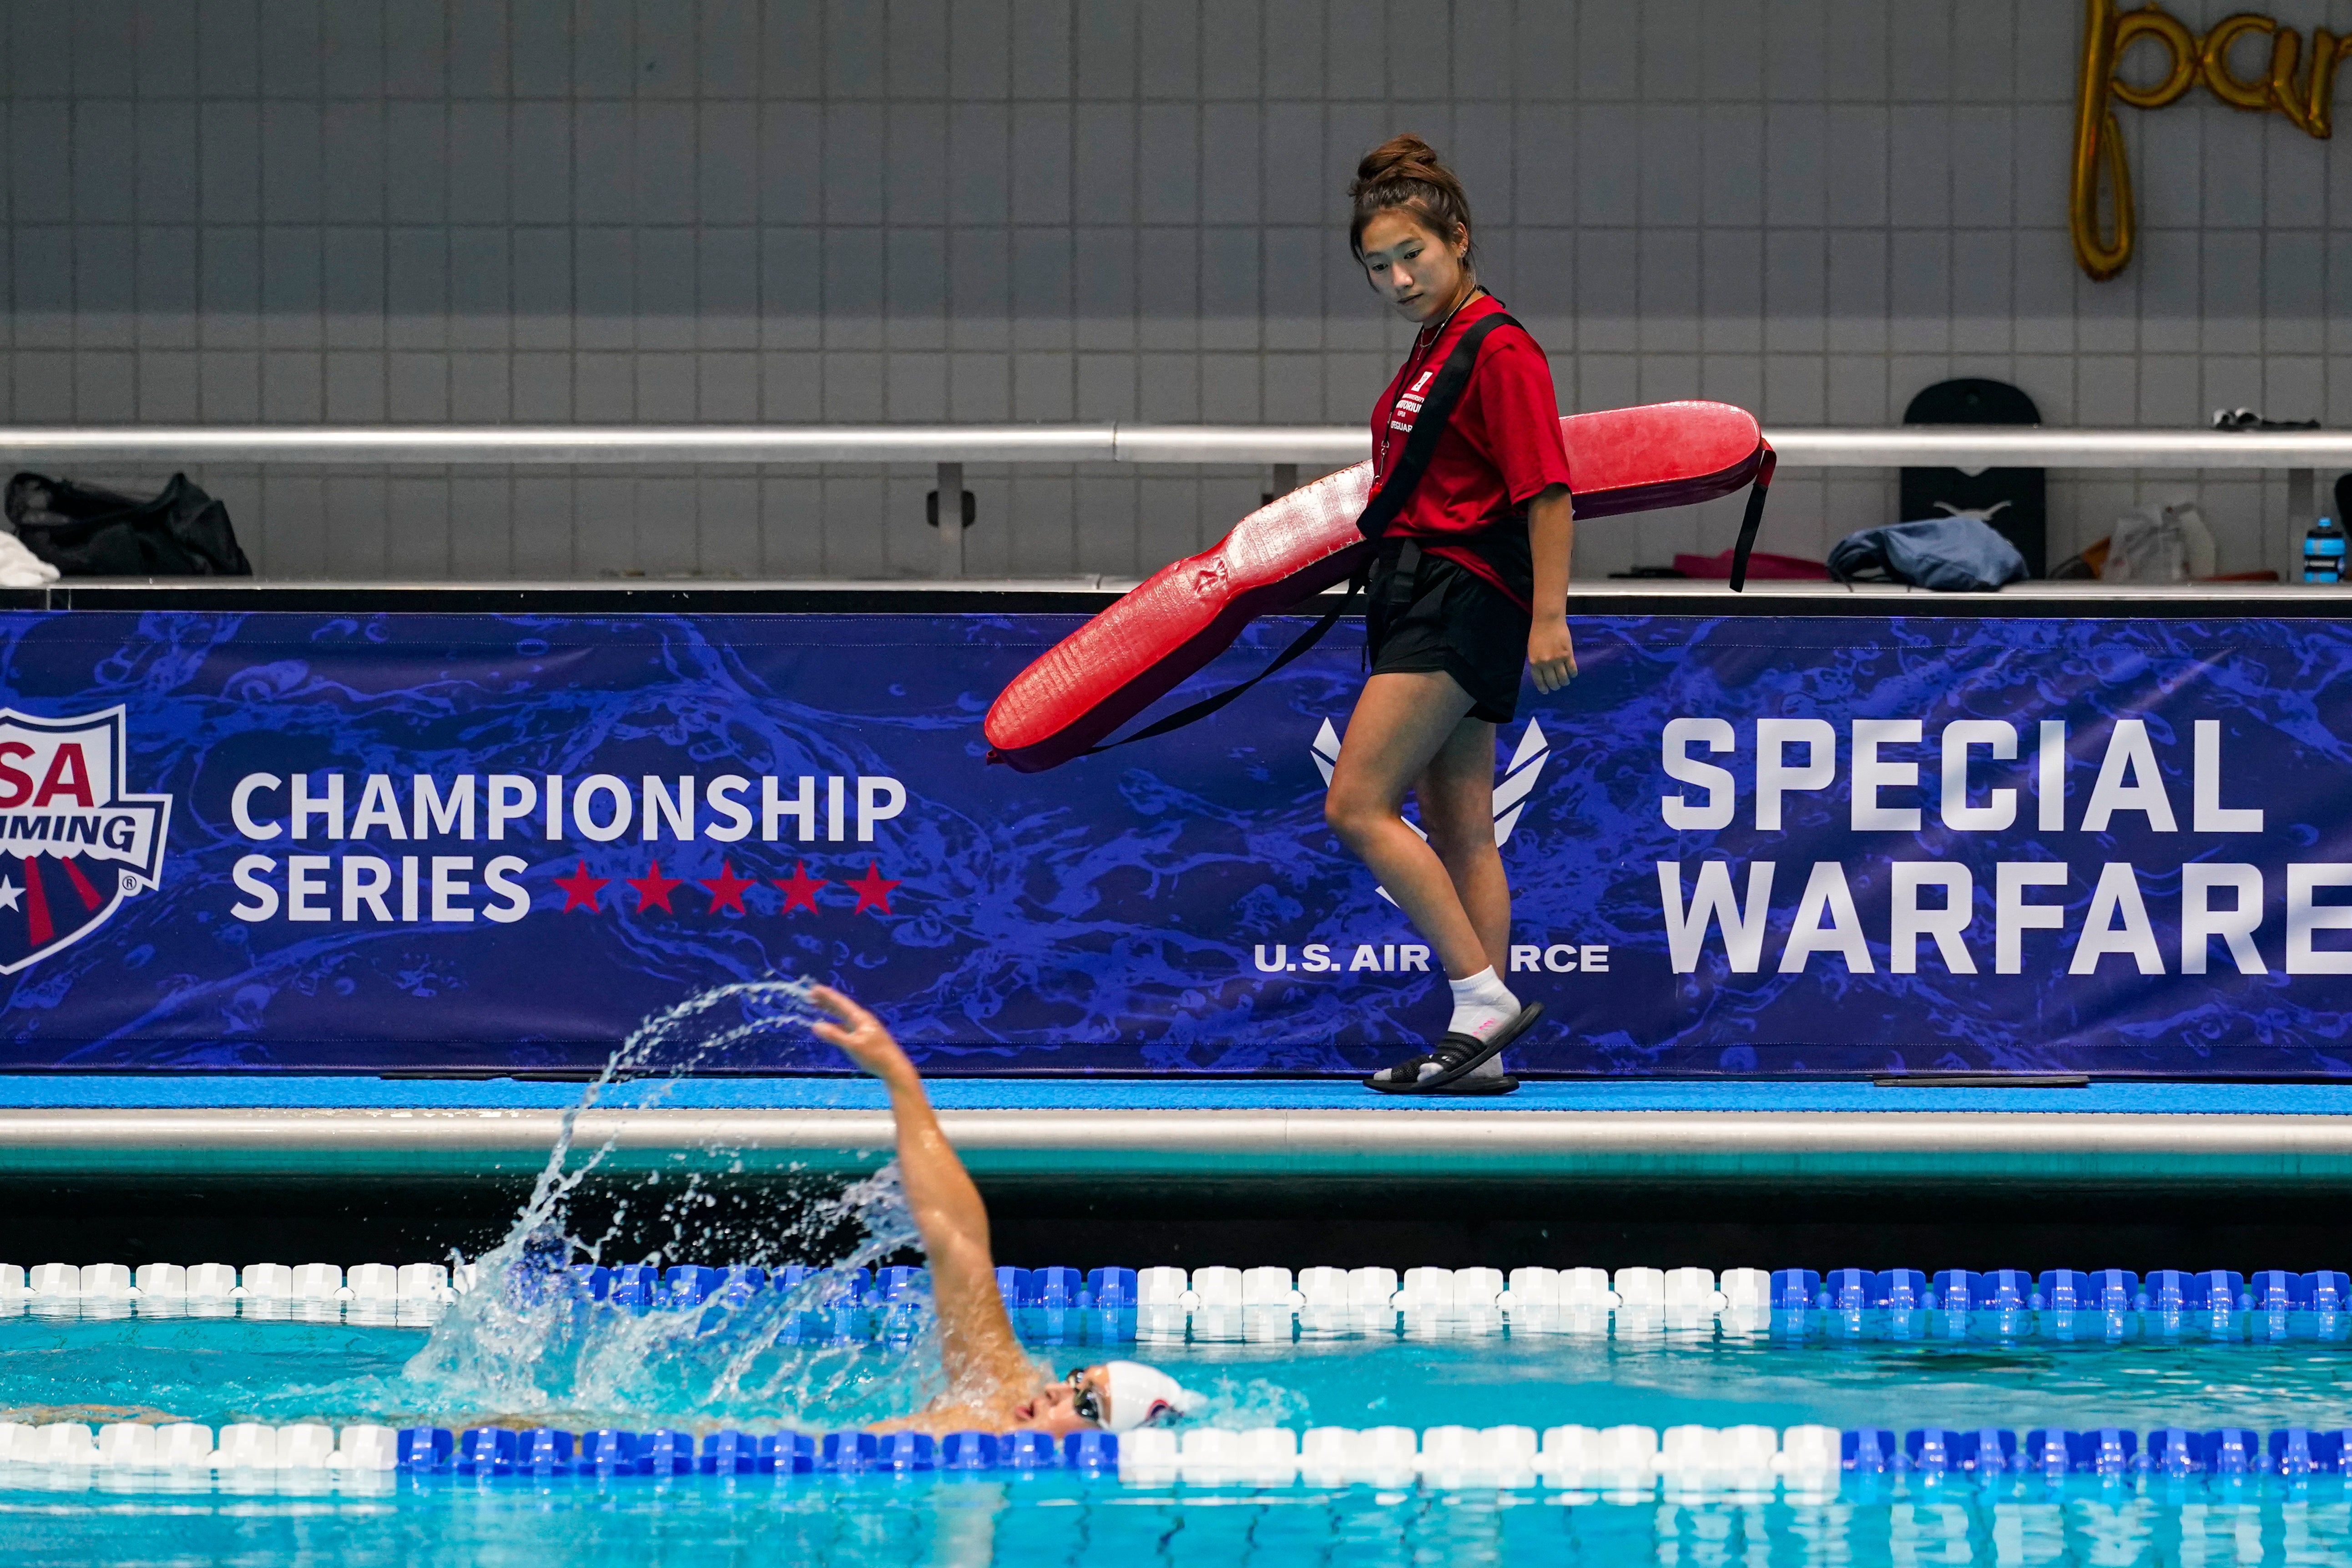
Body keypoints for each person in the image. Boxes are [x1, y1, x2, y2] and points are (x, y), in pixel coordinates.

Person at [1322, 136, 1578, 1098]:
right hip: (1415, 586)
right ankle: (1488, 1046)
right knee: (1462, 824)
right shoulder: (1434, 342)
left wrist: (1547, 615)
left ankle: (1480, 998)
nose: (1394, 278)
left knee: (1355, 802)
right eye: (1376, 267)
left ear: (1458, 240)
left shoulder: (1499, 348)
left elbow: (1545, 490)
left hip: (1464, 593)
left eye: (1410, 257)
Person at [809, 983, 1193, 1437]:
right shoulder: (999, 1393)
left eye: (1087, 1402)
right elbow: (957, 1237)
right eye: (1076, 1380)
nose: (1054, 1390)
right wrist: (899, 1078)